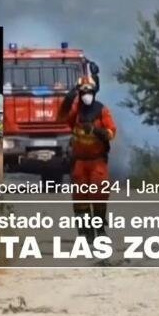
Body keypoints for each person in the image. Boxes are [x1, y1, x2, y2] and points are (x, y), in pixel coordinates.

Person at [59, 76, 116, 238]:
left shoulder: (102, 111)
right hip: (79, 162)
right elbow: (62, 117)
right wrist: (68, 100)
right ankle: (85, 231)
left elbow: (111, 132)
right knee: (80, 198)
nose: (86, 95)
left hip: (97, 161)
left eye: (89, 92)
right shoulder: (75, 112)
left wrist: (95, 130)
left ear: (94, 92)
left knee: (99, 194)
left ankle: (100, 229)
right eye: (83, 92)